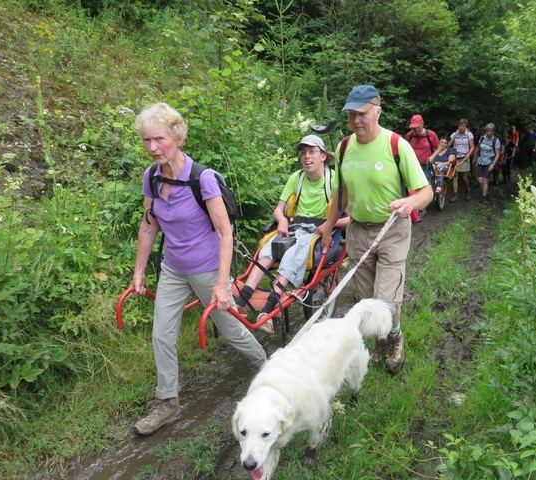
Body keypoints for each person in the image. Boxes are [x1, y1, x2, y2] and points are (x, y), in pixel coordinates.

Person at [131, 103, 267, 436]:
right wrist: (139, 272)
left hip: (208, 269)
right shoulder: (152, 177)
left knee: (232, 330)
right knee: (161, 333)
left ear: (177, 136)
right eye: (147, 140)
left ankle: (268, 368)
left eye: (159, 139)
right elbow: (149, 227)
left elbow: (225, 233)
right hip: (174, 269)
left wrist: (222, 284)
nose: (152, 148)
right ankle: (168, 403)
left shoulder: (201, 178)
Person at [321, 85, 433, 372]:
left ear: (377, 112)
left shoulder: (396, 145)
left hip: (392, 230)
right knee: (366, 298)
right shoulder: (344, 147)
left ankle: (394, 339)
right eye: (351, 115)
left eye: (362, 114)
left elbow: (425, 192)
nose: (356, 120)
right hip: (358, 231)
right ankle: (381, 342)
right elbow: (340, 195)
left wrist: (410, 202)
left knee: (386, 301)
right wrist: (327, 226)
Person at [234, 135, 349, 333]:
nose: (306, 157)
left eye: (312, 152)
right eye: (303, 153)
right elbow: (278, 210)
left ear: (323, 156)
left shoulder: (334, 181)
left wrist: (330, 225)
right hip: (294, 227)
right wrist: (283, 219)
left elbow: (351, 218)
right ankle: (241, 302)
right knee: (267, 248)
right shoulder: (297, 178)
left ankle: (268, 310)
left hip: (318, 233)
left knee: (291, 255)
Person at [472, 122, 501, 202]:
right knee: (480, 180)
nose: (489, 133)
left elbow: (497, 154)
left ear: (493, 131)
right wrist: (474, 158)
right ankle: (486, 193)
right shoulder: (482, 138)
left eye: (490, 131)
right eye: (487, 131)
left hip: (489, 162)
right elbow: (478, 148)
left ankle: (483, 197)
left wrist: (493, 164)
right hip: (481, 161)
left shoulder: (496, 140)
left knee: (485, 180)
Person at [405, 114, 439, 183]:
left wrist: (432, 156)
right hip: (413, 165)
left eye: (417, 127)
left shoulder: (430, 134)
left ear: (422, 123)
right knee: (413, 185)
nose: (415, 129)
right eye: (413, 128)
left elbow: (439, 148)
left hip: (426, 166)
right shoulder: (409, 135)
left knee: (426, 184)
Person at [447, 119, 474, 202]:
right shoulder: (454, 134)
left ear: (466, 127)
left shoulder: (469, 135)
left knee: (465, 177)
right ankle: (455, 194)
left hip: (464, 157)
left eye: (463, 126)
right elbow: (447, 145)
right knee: (455, 176)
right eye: (460, 126)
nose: (462, 128)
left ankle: (467, 190)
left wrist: (468, 155)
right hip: (455, 157)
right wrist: (453, 137)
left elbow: (472, 147)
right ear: (458, 126)